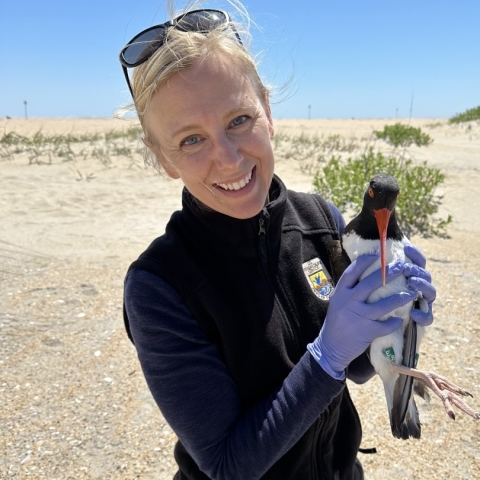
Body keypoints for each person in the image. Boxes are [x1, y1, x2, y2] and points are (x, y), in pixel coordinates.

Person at [120, 4, 435, 479]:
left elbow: (357, 371)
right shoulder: (161, 287)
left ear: (267, 110)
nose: (227, 159)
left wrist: (389, 326)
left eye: (239, 119)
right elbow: (227, 465)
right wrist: (326, 356)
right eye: (190, 140)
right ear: (163, 157)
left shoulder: (319, 220)